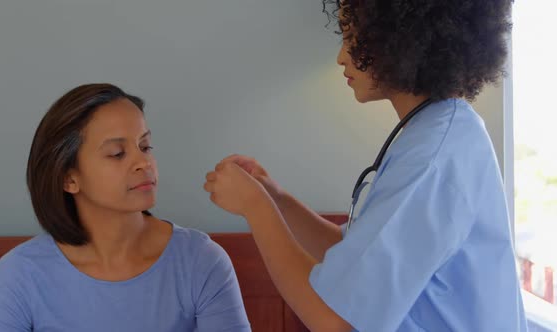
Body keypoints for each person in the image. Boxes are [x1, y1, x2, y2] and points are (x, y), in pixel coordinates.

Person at [203, 0, 527, 331]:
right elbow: (353, 257)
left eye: (352, 37)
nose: (341, 56)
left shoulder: (432, 156)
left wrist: (256, 208)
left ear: (401, 39)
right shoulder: (437, 132)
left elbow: (336, 323)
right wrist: (276, 198)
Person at [0, 83, 250, 332]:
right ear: (68, 178)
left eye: (145, 146)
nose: (144, 163)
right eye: (117, 153)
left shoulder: (201, 262)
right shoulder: (19, 276)